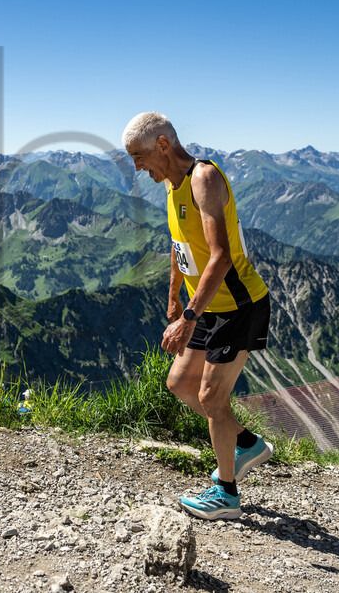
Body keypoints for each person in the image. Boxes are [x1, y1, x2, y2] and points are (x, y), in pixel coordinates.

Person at [122, 111, 273, 520]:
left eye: (138, 156)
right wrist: (174, 297)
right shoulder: (172, 187)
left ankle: (226, 494)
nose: (136, 167)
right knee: (180, 383)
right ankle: (244, 444)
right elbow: (180, 246)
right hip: (204, 306)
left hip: (237, 307)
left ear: (164, 146)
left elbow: (220, 257)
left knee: (210, 397)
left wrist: (188, 316)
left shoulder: (203, 178)